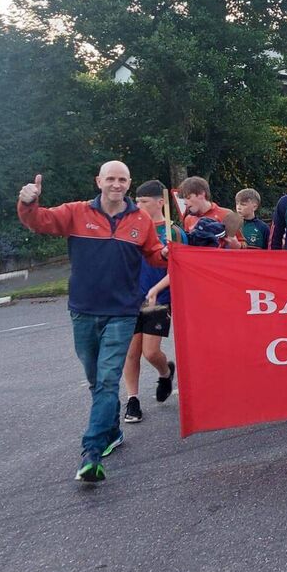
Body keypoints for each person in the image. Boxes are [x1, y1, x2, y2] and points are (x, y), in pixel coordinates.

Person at [18, 163, 167, 483]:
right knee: (94, 379)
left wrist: (166, 253)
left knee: (107, 380)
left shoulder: (140, 220)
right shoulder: (75, 212)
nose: (116, 184)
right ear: (99, 181)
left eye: (122, 179)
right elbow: (38, 221)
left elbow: (153, 254)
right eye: (110, 179)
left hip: (123, 313)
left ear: (129, 183)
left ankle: (92, 452)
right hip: (83, 311)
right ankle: (112, 431)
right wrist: (28, 201)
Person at [121, 180, 185, 425]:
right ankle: (133, 399)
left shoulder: (173, 231)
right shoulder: (131, 228)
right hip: (131, 299)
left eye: (144, 201)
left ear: (160, 202)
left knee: (150, 352)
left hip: (159, 300)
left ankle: (165, 372)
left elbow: (179, 269)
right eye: (136, 201)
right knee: (131, 353)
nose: (138, 205)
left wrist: (157, 288)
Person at [180, 177, 243, 247]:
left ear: (202, 194)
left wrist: (237, 245)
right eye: (184, 199)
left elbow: (245, 246)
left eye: (188, 198)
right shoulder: (188, 219)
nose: (185, 202)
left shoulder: (226, 214)